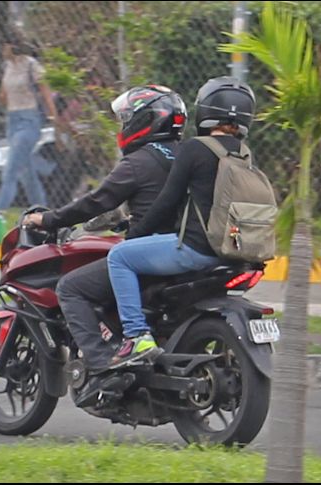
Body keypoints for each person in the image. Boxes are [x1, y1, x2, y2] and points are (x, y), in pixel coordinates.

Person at [22, 85, 187, 391]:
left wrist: (49, 219)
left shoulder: (139, 162)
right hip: (184, 249)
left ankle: (100, 363)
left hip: (151, 256)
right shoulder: (186, 155)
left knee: (70, 287)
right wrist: (128, 223)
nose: (124, 126)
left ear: (146, 120)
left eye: (128, 119)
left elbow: (96, 201)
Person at [106, 76, 258, 367]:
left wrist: (135, 234)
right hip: (231, 251)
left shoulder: (195, 149)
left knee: (120, 258)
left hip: (196, 249)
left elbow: (167, 202)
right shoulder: (243, 154)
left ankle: (136, 337)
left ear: (205, 110)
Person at [0, 34, 59, 210]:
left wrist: (55, 119)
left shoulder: (31, 65)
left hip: (28, 121)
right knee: (27, 173)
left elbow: (46, 93)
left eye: (4, 46)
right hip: (12, 121)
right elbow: (3, 95)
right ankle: (42, 209)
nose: (2, 51)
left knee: (10, 171)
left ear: (12, 46)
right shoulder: (7, 67)